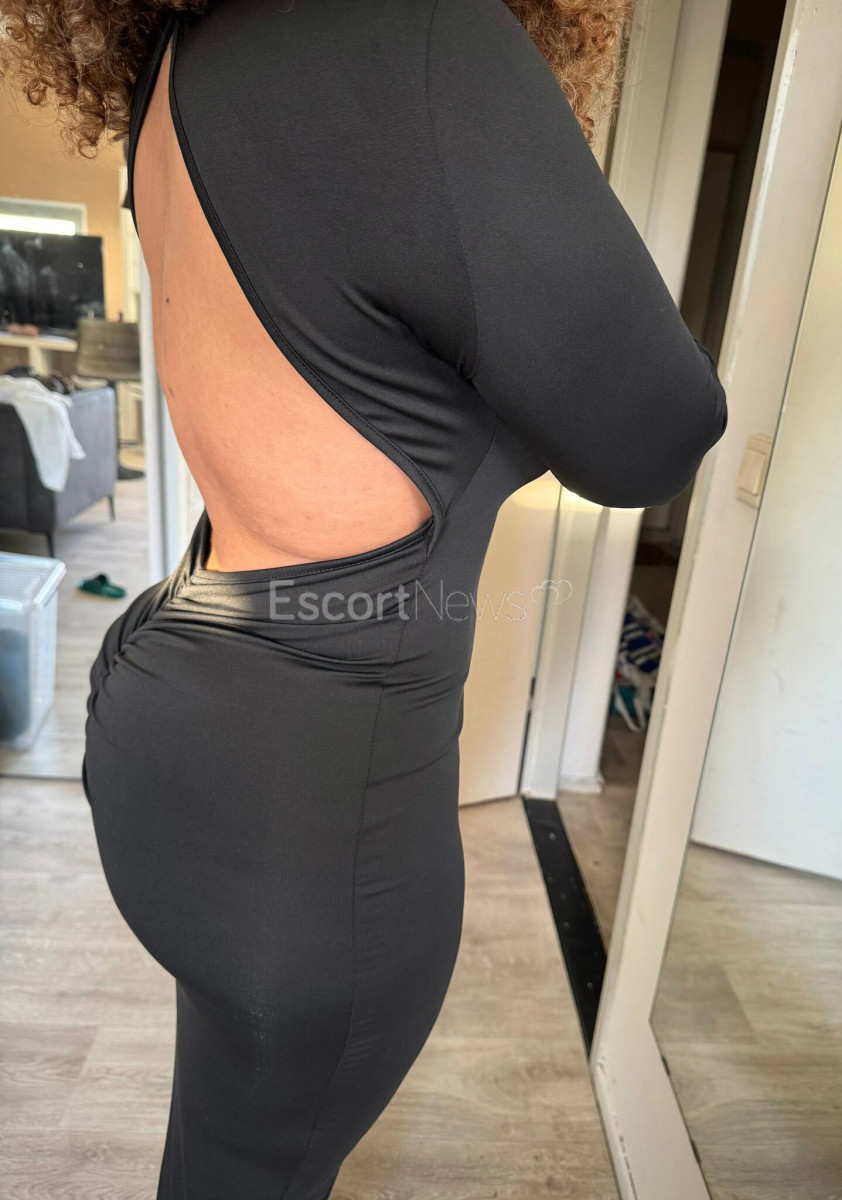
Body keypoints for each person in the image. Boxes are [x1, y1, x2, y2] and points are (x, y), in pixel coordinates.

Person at [0, 1, 728, 1196]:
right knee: (257, 1164)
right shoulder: (416, 36)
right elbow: (652, 436)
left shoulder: (179, 62)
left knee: (228, 1150)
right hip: (301, 800)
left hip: (175, 707)